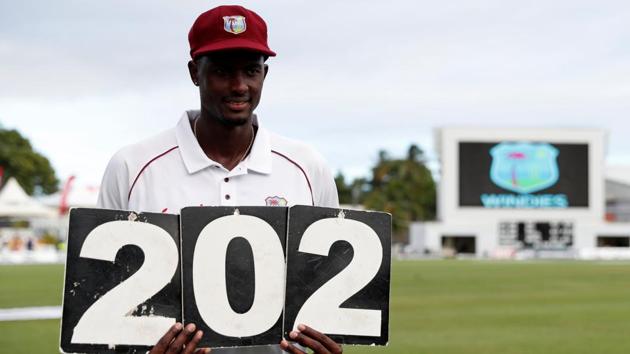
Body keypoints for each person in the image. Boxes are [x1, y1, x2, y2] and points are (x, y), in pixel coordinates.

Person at [97, 5, 342, 354]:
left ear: (265, 75)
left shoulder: (307, 166)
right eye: (223, 71)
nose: (239, 85)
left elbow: (326, 297)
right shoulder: (132, 166)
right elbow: (95, 306)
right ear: (195, 72)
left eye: (251, 70)